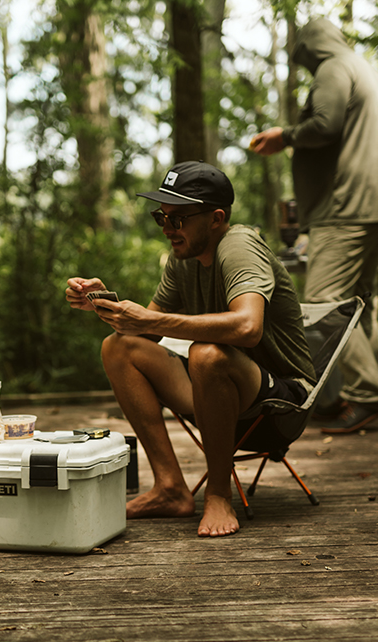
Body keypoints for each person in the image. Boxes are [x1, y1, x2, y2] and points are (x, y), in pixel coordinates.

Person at [66, 161, 315, 537]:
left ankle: (218, 494)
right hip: (216, 398)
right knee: (119, 348)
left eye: (178, 219)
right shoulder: (183, 260)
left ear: (215, 218)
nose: (167, 229)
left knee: (207, 353)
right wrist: (108, 305)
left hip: (279, 409)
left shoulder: (240, 246)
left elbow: (247, 327)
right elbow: (144, 334)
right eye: (161, 217)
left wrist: (149, 322)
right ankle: (170, 488)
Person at [250, 16, 378, 434]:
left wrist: (285, 136)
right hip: (374, 205)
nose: (308, 68)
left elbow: (326, 124)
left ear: (312, 47)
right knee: (355, 305)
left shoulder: (333, 67)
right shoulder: (368, 71)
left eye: (304, 59)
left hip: (345, 206)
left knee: (325, 301)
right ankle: (348, 397)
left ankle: (362, 397)